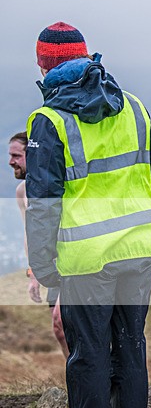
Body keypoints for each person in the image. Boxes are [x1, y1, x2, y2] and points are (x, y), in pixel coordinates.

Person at [25, 22, 151, 408]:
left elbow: (43, 202)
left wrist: (45, 267)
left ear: (44, 64)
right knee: (131, 350)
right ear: (87, 58)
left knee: (88, 358)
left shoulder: (48, 121)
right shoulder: (134, 106)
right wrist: (147, 220)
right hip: (140, 252)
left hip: (85, 261)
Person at [8, 131, 69, 359]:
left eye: (16, 155)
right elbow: (29, 234)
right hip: (50, 267)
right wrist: (34, 273)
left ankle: (91, 386)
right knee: (60, 331)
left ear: (32, 155)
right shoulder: (21, 191)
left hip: (72, 262)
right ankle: (77, 384)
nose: (11, 161)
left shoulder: (52, 185)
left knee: (62, 323)